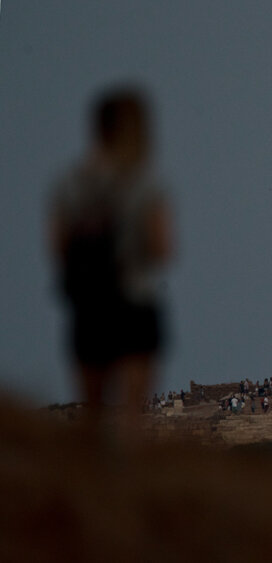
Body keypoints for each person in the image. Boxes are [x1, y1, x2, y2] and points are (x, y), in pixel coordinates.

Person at [49, 85, 172, 442]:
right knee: (133, 414)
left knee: (93, 412)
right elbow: (163, 248)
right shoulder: (146, 183)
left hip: (88, 304)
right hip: (135, 300)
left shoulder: (68, 185)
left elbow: (57, 248)